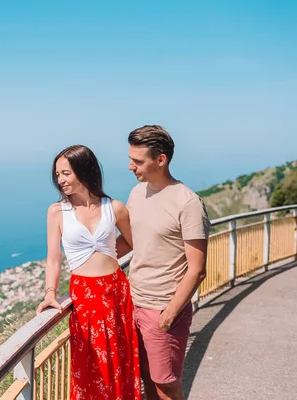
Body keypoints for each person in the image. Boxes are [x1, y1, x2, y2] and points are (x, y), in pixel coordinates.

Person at [36, 144, 141, 400]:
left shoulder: (114, 207)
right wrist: (50, 293)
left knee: (120, 362)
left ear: (84, 170)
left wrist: (106, 254)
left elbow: (131, 241)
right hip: (84, 296)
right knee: (90, 367)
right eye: (58, 174)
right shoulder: (57, 212)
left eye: (66, 173)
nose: (60, 180)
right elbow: (53, 259)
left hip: (116, 291)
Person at [119, 125, 210, 400]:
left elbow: (197, 269)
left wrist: (169, 314)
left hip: (163, 307)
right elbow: (132, 241)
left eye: (138, 161)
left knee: (165, 383)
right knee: (146, 376)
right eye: (130, 159)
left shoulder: (188, 203)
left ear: (161, 159)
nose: (130, 166)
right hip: (133, 302)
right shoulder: (137, 194)